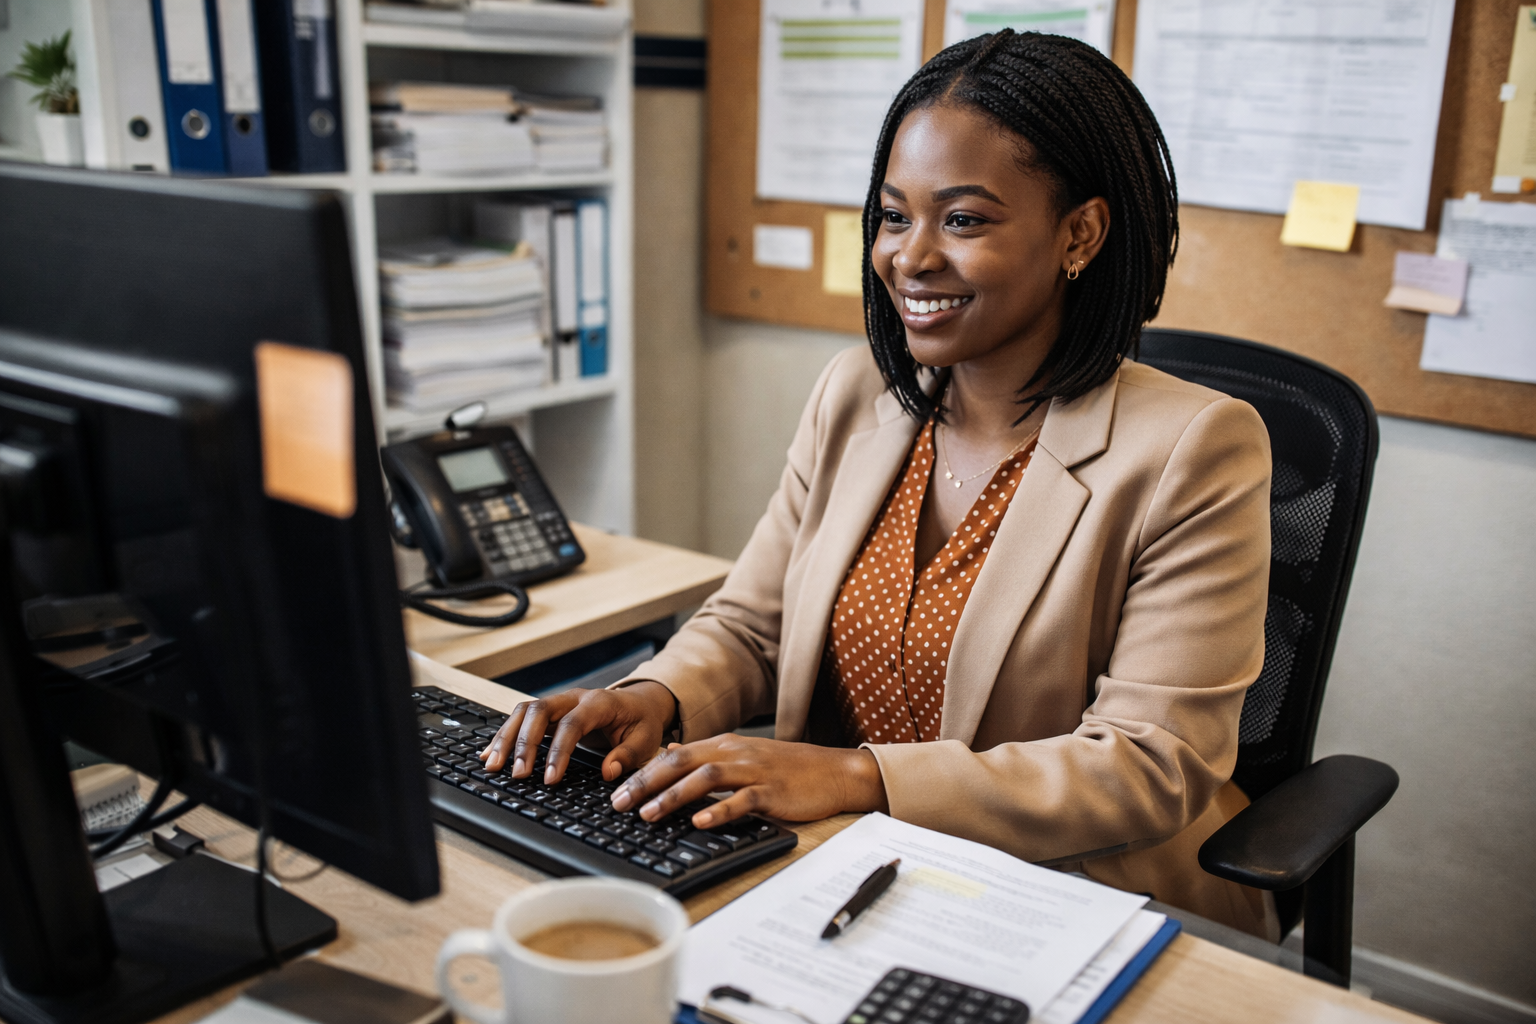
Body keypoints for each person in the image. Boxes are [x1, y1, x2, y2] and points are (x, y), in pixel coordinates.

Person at [483, 30, 1276, 938]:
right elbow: (753, 624)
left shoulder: (1195, 447)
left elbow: (1148, 766)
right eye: (895, 216)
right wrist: (656, 698)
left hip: (1069, 891)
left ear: (1080, 234)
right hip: (849, 863)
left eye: (965, 220)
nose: (911, 257)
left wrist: (859, 776)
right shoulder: (857, 392)